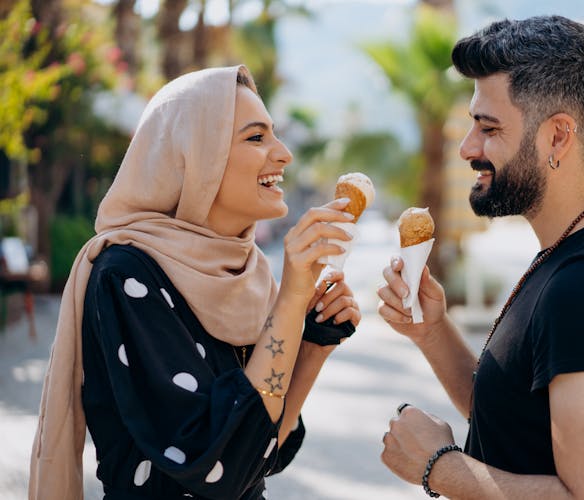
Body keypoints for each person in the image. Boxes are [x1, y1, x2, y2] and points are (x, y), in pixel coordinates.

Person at [377, 16, 584, 500]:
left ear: (558, 137)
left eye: (488, 128)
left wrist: (439, 467)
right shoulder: (568, 256)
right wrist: (432, 332)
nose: (466, 148)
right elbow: (517, 424)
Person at [29, 65, 361, 500]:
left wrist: (316, 342)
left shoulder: (248, 274)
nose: (283, 154)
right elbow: (217, 468)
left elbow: (262, 450)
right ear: (196, 157)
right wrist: (293, 296)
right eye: (256, 137)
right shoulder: (126, 273)